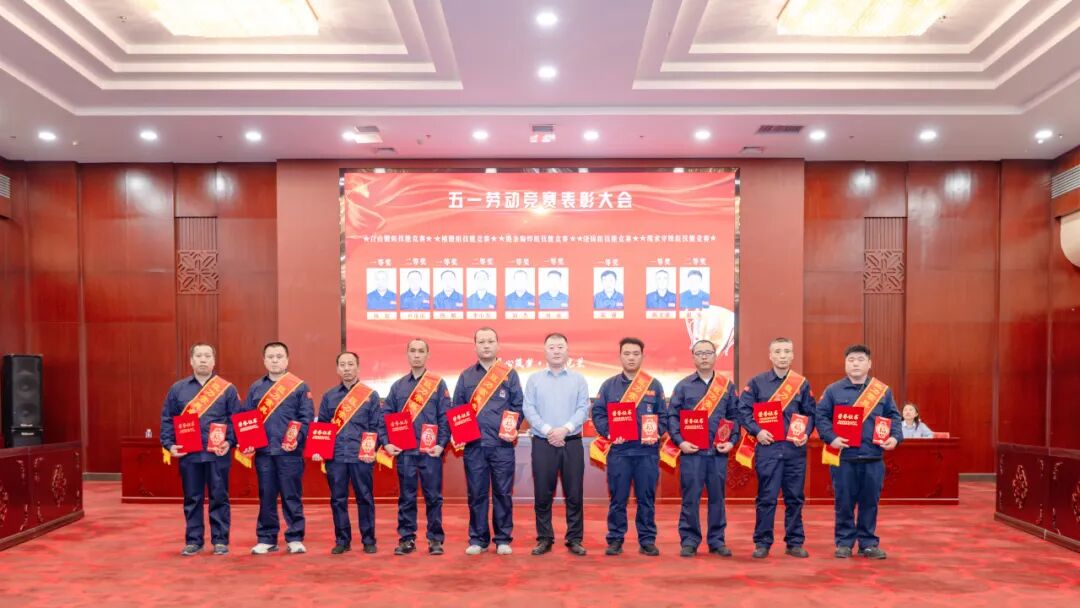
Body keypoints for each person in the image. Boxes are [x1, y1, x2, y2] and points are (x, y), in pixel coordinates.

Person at [815, 344, 903, 560]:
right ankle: (844, 543)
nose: (855, 364)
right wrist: (831, 437)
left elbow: (894, 417)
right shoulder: (833, 390)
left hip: (873, 457)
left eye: (860, 360)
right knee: (843, 502)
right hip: (844, 457)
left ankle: (868, 543)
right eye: (851, 360)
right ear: (845, 364)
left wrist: (894, 437)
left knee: (869, 503)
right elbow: (821, 416)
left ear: (869, 364)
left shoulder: (882, 391)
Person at [737, 337, 816, 559]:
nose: (783, 355)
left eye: (787, 351)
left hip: (794, 450)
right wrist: (757, 431)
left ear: (792, 355)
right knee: (766, 497)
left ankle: (794, 542)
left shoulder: (801, 384)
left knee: (795, 498)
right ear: (770, 356)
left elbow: (811, 413)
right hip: (768, 448)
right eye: (778, 351)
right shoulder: (756, 383)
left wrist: (806, 433)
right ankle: (762, 542)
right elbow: (743, 411)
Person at [159, 343, 242, 556]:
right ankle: (194, 541)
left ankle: (220, 540)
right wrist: (169, 444)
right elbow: (168, 419)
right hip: (190, 454)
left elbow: (236, 420)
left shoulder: (227, 389)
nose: (203, 359)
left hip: (218, 454)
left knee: (219, 497)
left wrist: (229, 442)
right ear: (191, 360)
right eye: (199, 356)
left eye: (207, 356)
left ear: (214, 361)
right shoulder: (178, 389)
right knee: (192, 498)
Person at [591, 337, 666, 556]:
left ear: (642, 356)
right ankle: (615, 539)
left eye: (635, 354)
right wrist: (609, 433)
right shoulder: (609, 385)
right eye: (627, 354)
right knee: (618, 499)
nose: (631, 358)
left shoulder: (653, 385)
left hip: (647, 453)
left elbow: (664, 415)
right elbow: (598, 413)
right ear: (620, 357)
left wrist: (657, 433)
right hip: (619, 452)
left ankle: (647, 540)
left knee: (646, 499)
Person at [452, 327, 524, 555]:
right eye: (481, 342)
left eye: (490, 341)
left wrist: (512, 428)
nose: (486, 345)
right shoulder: (466, 376)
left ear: (497, 345)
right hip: (474, 446)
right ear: (475, 346)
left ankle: (503, 539)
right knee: (477, 494)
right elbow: (458, 408)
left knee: (503, 493)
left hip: (502, 446)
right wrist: (460, 433)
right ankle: (478, 539)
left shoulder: (509, 374)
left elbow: (517, 406)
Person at [667, 339, 740, 557]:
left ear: (715, 356)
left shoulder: (727, 386)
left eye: (708, 352)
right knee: (690, 498)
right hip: (692, 454)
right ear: (693, 357)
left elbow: (734, 416)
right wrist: (680, 441)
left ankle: (717, 541)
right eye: (699, 353)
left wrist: (732, 441)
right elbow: (672, 417)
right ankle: (689, 540)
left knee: (718, 499)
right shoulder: (683, 386)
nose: (704, 356)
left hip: (718, 453)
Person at [240, 342, 315, 555]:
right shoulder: (256, 387)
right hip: (264, 452)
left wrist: (297, 439)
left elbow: (307, 418)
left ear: (287, 360)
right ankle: (266, 538)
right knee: (266, 496)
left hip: (290, 453)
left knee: (292, 495)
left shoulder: (299, 387)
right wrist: (246, 441)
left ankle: (295, 537)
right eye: (271, 357)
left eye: (279, 356)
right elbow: (247, 417)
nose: (275, 360)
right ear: (264, 361)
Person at [380, 339, 452, 556]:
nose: (417, 355)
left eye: (421, 351)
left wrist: (441, 444)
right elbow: (385, 416)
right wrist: (386, 442)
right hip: (405, 453)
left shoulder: (438, 384)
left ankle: (435, 539)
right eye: (413, 351)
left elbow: (445, 417)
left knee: (434, 497)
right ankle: (407, 539)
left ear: (428, 355)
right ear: (407, 355)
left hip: (430, 452)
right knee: (406, 497)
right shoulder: (398, 386)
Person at [523, 333, 590, 556]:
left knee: (574, 493)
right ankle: (544, 538)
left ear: (567, 350)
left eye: (560, 347)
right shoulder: (534, 379)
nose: (556, 351)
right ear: (545, 351)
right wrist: (548, 430)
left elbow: (583, 409)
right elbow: (529, 408)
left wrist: (565, 429)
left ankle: (574, 538)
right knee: (543, 493)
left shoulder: (578, 379)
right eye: (551, 347)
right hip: (543, 442)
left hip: (572, 442)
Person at [314, 351, 382, 555]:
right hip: (336, 456)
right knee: (338, 499)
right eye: (342, 365)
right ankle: (342, 540)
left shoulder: (370, 395)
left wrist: (371, 450)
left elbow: (376, 426)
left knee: (365, 498)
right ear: (337, 369)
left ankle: (368, 539)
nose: (346, 368)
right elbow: (323, 426)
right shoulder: (329, 396)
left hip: (361, 456)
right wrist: (318, 449)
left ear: (358, 367)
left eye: (350, 364)